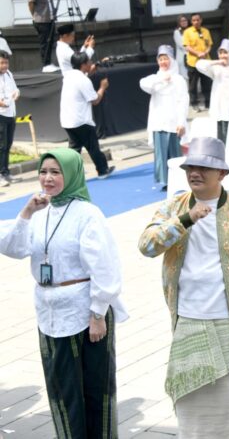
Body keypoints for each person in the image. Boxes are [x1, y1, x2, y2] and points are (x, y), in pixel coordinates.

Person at [137, 137, 229, 439]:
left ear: (222, 174)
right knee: (191, 397)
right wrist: (186, 220)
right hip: (187, 317)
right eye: (190, 167)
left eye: (203, 168)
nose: (194, 173)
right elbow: (146, 246)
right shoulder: (175, 206)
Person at [0, 148, 128, 439]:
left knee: (95, 389)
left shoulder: (88, 214)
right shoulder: (40, 210)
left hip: (85, 311)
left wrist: (97, 314)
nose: (47, 178)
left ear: (70, 175)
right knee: (61, 387)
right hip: (49, 311)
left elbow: (106, 268)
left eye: (55, 172)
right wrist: (26, 212)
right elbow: (13, 247)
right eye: (43, 172)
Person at [139, 45, 189, 191]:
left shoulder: (179, 80)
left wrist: (181, 122)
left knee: (175, 152)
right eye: (160, 59)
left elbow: (183, 101)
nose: (163, 62)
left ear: (172, 60)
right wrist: (161, 80)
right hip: (158, 121)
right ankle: (165, 181)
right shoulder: (154, 79)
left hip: (173, 122)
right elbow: (143, 84)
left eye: (166, 59)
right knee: (161, 153)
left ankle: (178, 179)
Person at [60, 53, 114, 179]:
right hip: (81, 120)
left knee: (74, 149)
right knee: (93, 147)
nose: (91, 63)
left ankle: (69, 175)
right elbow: (95, 100)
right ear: (83, 65)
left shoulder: (68, 75)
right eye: (89, 62)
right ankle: (102, 170)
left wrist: (89, 72)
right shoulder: (83, 80)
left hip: (68, 120)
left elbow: (81, 82)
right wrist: (102, 87)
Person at [196, 39, 229, 142]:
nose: (223, 55)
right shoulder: (216, 69)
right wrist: (217, 62)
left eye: (226, 52)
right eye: (220, 53)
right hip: (219, 109)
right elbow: (199, 65)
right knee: (220, 138)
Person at [183, 13, 213, 112]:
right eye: (194, 20)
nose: (196, 22)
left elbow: (209, 45)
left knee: (207, 83)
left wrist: (206, 52)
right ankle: (194, 103)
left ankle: (208, 103)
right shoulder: (187, 32)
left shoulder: (206, 31)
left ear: (201, 20)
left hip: (205, 61)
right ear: (191, 22)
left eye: (197, 20)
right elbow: (187, 46)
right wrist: (198, 53)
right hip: (193, 62)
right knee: (193, 85)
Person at [0, 50, 20, 187]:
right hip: (1, 114)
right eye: (1, 63)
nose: (4, 65)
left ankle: (5, 172)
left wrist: (17, 94)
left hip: (11, 113)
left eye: (6, 62)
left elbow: (15, 89)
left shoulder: (9, 74)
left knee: (7, 145)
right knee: (1, 145)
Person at [28, 0, 59, 72]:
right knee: (44, 42)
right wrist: (35, 16)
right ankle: (45, 64)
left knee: (50, 41)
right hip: (41, 20)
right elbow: (31, 3)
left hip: (50, 18)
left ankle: (49, 62)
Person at [173, 15, 190, 80]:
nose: (184, 22)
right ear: (179, 23)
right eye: (181, 21)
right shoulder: (177, 32)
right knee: (185, 77)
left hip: (192, 57)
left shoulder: (191, 30)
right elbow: (182, 45)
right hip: (183, 57)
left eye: (185, 20)